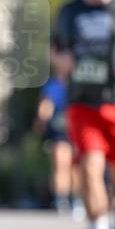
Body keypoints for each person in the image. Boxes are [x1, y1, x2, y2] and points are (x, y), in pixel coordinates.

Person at [52, 0, 115, 229]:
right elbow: (54, 49)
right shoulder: (69, 12)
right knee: (90, 168)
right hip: (82, 103)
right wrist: (61, 60)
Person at [33, 72, 82, 216]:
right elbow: (46, 104)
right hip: (60, 129)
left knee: (76, 167)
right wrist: (41, 121)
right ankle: (61, 199)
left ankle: (77, 198)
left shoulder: (79, 81)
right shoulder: (53, 84)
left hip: (78, 128)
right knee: (61, 164)